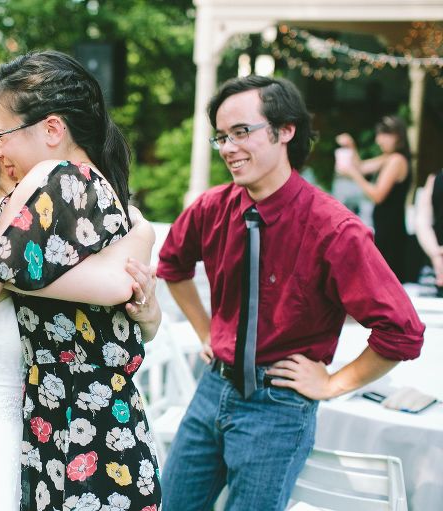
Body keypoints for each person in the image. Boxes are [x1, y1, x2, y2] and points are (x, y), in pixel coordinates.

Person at [0, 51, 163, 510]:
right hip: (83, 424)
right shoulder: (102, 192)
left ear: (52, 129)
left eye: (0, 134)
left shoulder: (55, 176)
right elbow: (109, 286)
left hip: (85, 434)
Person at [156, 76, 425, 511]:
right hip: (211, 389)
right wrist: (207, 332)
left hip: (278, 405)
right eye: (221, 137)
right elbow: (172, 266)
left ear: (285, 130)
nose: (228, 148)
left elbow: (402, 331)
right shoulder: (212, 207)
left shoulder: (335, 228)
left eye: (241, 132)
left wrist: (333, 383)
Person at [335, 115, 412, 281]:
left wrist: (353, 174)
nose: (378, 140)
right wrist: (351, 147)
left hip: (391, 231)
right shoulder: (389, 158)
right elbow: (362, 167)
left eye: (383, 135)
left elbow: (377, 195)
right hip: (386, 227)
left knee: (386, 280)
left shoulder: (396, 160)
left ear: (397, 136)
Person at [415, 169, 443, 296]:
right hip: (436, 269)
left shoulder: (434, 179)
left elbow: (422, 221)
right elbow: (422, 222)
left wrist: (436, 254)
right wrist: (436, 255)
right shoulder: (434, 179)